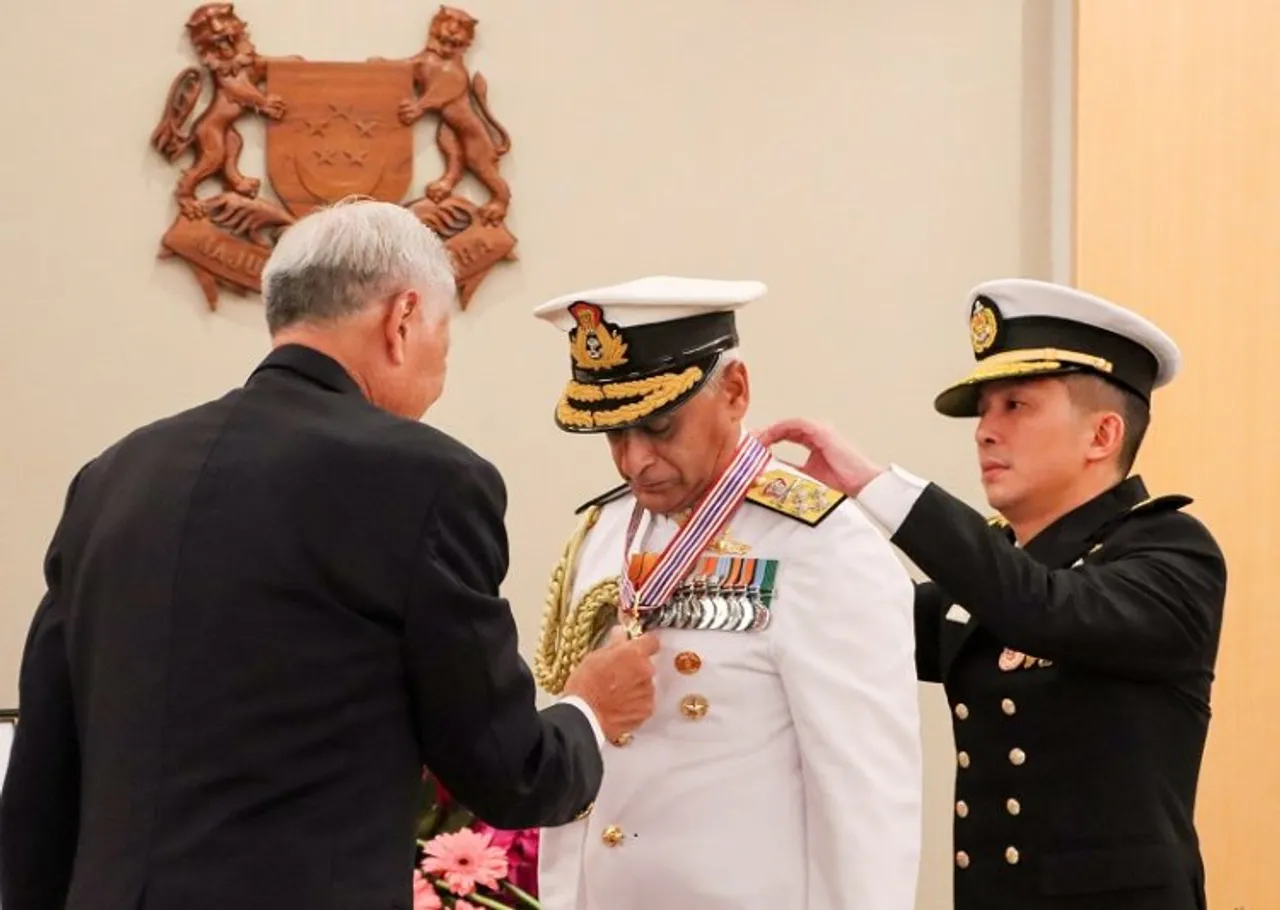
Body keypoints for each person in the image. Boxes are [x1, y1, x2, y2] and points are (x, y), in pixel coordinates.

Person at [0, 199, 660, 910]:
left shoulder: (114, 477)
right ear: (403, 319)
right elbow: (506, 771)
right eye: (445, 339)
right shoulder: (427, 480)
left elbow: (42, 772)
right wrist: (589, 709)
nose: (441, 374)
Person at [758, 278, 1227, 910]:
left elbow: (1039, 609)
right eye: (984, 410)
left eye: (1016, 406)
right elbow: (861, 621)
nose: (985, 430)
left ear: (1102, 436)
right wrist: (793, 516)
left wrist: (876, 486)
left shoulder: (1171, 553)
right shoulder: (996, 574)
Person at [529, 275, 923, 910]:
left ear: (735, 392)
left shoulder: (821, 545)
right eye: (613, 434)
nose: (634, 461)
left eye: (658, 425)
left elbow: (865, 797)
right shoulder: (603, 535)